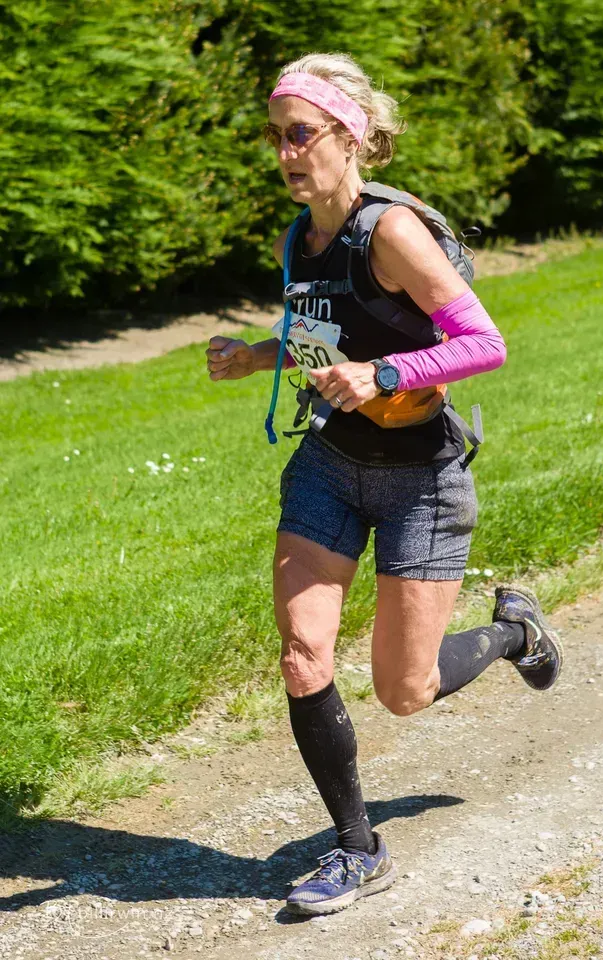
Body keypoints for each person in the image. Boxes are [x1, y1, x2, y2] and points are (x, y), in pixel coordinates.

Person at [205, 52, 563, 917]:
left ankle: (515, 633)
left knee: (407, 691)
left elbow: (484, 343)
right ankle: (357, 848)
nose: (285, 152)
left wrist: (386, 375)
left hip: (420, 480)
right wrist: (259, 355)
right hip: (329, 464)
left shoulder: (391, 232)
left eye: (300, 133)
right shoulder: (303, 237)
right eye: (274, 135)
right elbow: (326, 337)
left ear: (347, 134)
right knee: (301, 656)